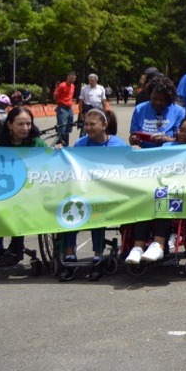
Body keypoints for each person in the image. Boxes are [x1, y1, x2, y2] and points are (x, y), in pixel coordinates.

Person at [127, 113, 186, 265]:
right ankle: (138, 247)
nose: (181, 133)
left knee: (166, 196)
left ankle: (159, 244)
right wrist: (138, 150)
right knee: (147, 196)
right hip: (163, 188)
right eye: (181, 129)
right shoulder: (168, 146)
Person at [67, 109, 127, 276]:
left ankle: (97, 254)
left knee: (97, 209)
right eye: (86, 124)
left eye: (92, 124)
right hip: (84, 192)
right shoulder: (80, 144)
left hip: (109, 193)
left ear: (104, 125)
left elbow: (128, 169)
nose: (88, 127)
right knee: (67, 209)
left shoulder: (118, 145)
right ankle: (69, 254)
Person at [0, 106, 54, 266]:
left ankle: (17, 245)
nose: (25, 128)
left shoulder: (37, 143)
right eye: (21, 124)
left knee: (20, 205)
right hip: (4, 193)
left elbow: (50, 164)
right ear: (9, 124)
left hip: (31, 194)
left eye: (28, 124)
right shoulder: (0, 145)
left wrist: (57, 151)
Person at [129, 76, 185, 147]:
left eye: (161, 100)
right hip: (144, 153)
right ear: (150, 95)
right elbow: (132, 136)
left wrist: (166, 139)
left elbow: (182, 140)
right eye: (154, 99)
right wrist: (134, 139)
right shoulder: (139, 109)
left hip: (169, 154)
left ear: (169, 99)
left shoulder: (179, 112)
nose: (158, 102)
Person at [53, 71, 77, 147]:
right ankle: (59, 145)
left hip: (69, 108)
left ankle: (66, 145)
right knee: (61, 128)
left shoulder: (73, 86)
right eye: (71, 78)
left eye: (74, 79)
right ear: (67, 77)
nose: (72, 80)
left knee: (68, 128)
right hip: (62, 108)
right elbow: (55, 96)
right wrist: (61, 102)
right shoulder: (62, 85)